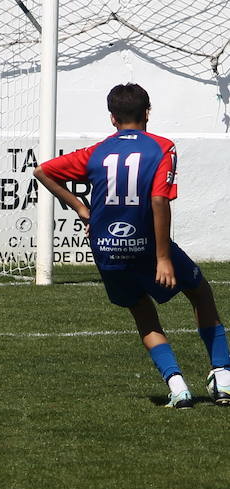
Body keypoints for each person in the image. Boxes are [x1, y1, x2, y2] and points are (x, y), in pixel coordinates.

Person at [34, 83, 230, 408]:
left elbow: (42, 171)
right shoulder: (162, 148)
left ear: (112, 118)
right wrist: (163, 257)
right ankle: (222, 376)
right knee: (199, 291)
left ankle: (178, 387)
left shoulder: (97, 152)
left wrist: (83, 209)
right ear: (148, 113)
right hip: (148, 247)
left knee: (142, 312)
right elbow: (158, 199)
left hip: (107, 247)